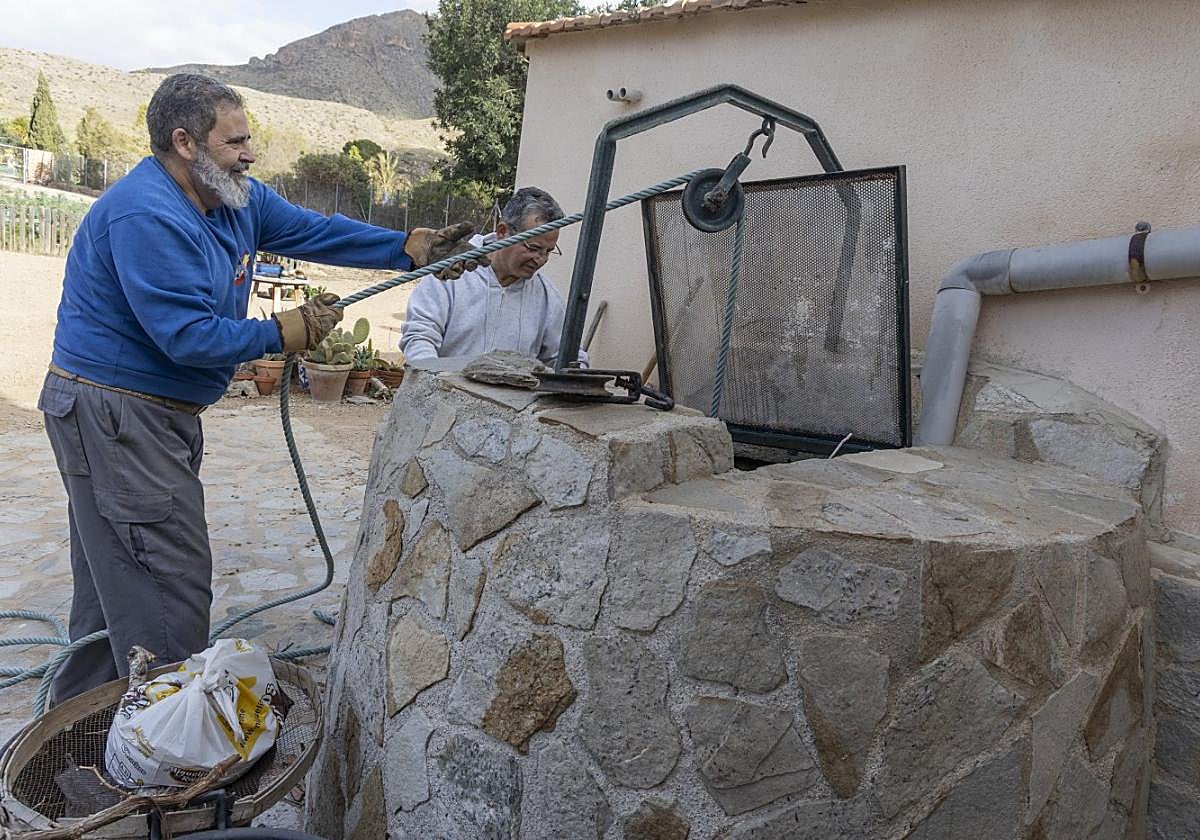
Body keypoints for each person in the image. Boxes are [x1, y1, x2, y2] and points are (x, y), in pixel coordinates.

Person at [39, 73, 479, 705]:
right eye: (235, 141)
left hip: (140, 413)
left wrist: (407, 248)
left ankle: (83, 731)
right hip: (115, 412)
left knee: (116, 579)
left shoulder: (233, 197)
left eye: (248, 140)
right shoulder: (148, 214)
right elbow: (186, 337)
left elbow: (313, 231)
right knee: (167, 583)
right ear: (184, 142)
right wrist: (281, 331)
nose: (249, 153)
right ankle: (165, 745)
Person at [400, 187, 587, 368]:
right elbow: (419, 337)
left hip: (512, 400)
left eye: (548, 251)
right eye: (533, 248)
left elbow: (566, 356)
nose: (540, 259)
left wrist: (578, 373)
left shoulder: (546, 297)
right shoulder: (452, 273)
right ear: (503, 232)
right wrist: (432, 380)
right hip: (445, 393)